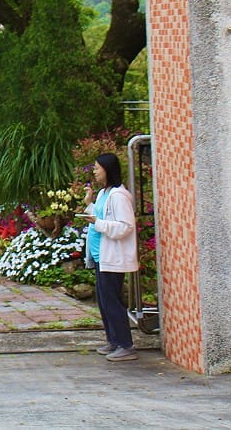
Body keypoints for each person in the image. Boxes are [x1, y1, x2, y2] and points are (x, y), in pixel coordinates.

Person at [82, 153, 139, 362]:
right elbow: (98, 217)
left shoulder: (118, 195)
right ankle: (113, 340)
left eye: (97, 168)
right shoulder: (103, 193)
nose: (95, 172)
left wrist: (97, 222)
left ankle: (125, 344)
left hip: (113, 258)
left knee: (113, 302)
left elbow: (125, 226)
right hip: (100, 257)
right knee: (104, 301)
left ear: (107, 169)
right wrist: (89, 203)